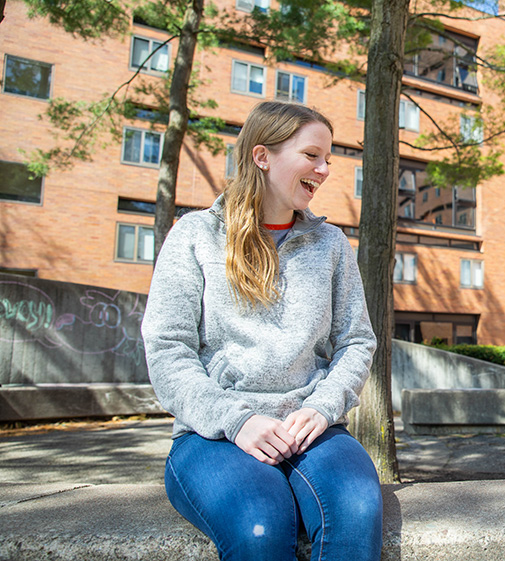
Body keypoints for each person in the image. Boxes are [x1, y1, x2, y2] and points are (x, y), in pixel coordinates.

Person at [142, 101, 382, 560]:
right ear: (261, 156)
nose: (325, 169)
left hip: (315, 429)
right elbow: (168, 348)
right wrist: (237, 420)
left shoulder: (331, 244)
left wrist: (321, 408)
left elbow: (356, 341)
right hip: (213, 435)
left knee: (356, 511)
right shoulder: (195, 235)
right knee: (261, 528)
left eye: (328, 158)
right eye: (312, 155)